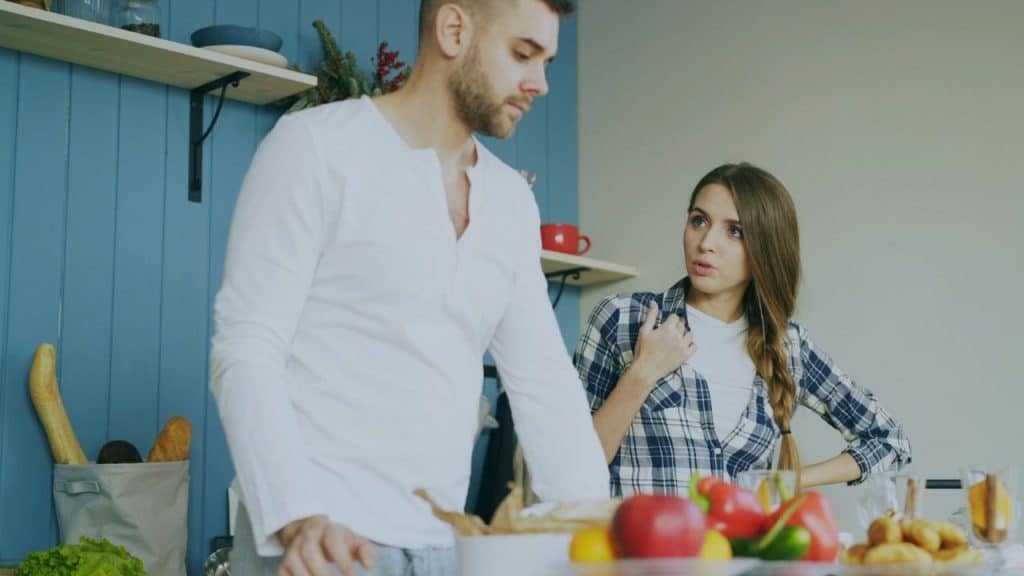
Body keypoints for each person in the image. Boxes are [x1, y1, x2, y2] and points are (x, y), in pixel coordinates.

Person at [209, 1, 609, 575]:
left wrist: (599, 534)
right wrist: (299, 518)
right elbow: (245, 348)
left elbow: (544, 384)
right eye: (523, 54)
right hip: (318, 548)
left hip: (443, 548)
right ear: (454, 29)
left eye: (547, 61)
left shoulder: (511, 202)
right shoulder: (314, 148)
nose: (540, 83)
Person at [574, 163, 912, 497]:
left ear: (766, 249)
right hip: (638, 550)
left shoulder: (788, 346)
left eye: (735, 231)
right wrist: (643, 373)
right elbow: (570, 467)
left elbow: (889, 440)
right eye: (699, 221)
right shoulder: (622, 318)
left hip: (739, 550)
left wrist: (789, 482)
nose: (706, 242)